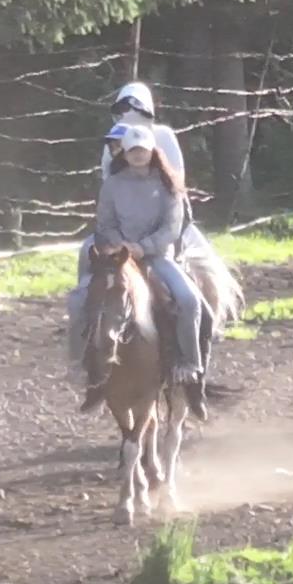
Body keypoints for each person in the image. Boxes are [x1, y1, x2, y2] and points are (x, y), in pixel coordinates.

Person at [71, 111, 213, 417]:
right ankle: (90, 373)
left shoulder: (168, 186)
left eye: (142, 150)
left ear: (152, 151)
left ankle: (191, 372)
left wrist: (142, 247)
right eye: (132, 150)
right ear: (125, 152)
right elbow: (104, 221)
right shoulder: (113, 185)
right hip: (117, 258)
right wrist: (120, 245)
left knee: (190, 301)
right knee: (82, 299)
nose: (137, 155)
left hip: (157, 257)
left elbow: (171, 228)